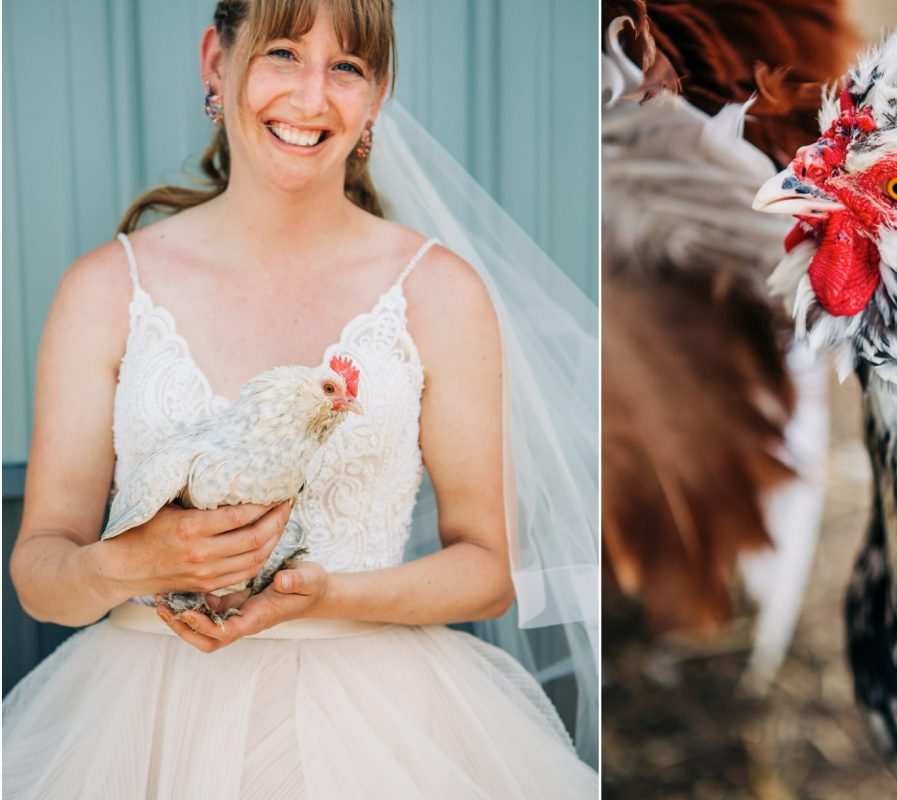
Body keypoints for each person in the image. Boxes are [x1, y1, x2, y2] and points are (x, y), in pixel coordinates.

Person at [3, 0, 598, 796]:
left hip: (381, 729)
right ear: (217, 61)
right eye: (283, 52)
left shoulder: (440, 294)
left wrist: (327, 594)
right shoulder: (106, 290)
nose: (313, 97)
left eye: (347, 67)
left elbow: (488, 569)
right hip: (139, 727)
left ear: (376, 97)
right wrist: (130, 563)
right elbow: (41, 573)